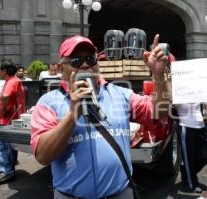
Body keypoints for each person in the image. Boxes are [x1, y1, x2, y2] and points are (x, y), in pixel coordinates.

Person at [30, 35, 171, 199]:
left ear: (97, 63)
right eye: (76, 61)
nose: (84, 65)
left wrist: (159, 76)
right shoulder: (49, 102)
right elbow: (43, 156)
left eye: (90, 59)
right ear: (62, 69)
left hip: (120, 194)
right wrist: (72, 115)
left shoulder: (120, 94)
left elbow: (160, 113)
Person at [0, 59, 26, 184]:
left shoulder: (10, 82)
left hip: (6, 119)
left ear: (4, 71)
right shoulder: (15, 80)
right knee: (9, 146)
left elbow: (5, 96)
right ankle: (8, 169)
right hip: (12, 119)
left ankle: (6, 171)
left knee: (1, 145)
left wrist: (2, 110)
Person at [175, 103, 207, 193]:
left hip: (201, 126)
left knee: (205, 155)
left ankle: (186, 171)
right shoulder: (177, 92)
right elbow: (170, 105)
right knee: (189, 158)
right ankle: (192, 183)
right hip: (186, 126)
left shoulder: (198, 90)